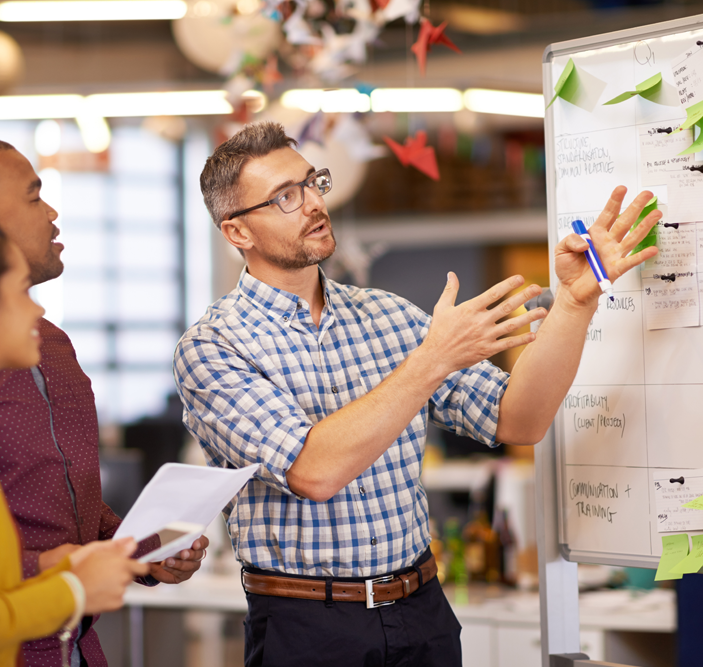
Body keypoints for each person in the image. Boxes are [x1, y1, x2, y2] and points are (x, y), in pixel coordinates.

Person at [173, 121, 661, 666]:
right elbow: (314, 471)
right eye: (286, 196)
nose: (313, 203)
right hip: (307, 628)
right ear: (238, 232)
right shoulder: (213, 347)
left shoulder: (387, 314)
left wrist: (574, 303)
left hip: (421, 613)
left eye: (313, 183)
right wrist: (432, 359)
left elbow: (519, 419)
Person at [0, 140, 208, 667]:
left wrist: (141, 550)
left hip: (71, 644)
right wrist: (63, 578)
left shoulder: (48, 345)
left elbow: (62, 504)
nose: (51, 213)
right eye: (34, 197)